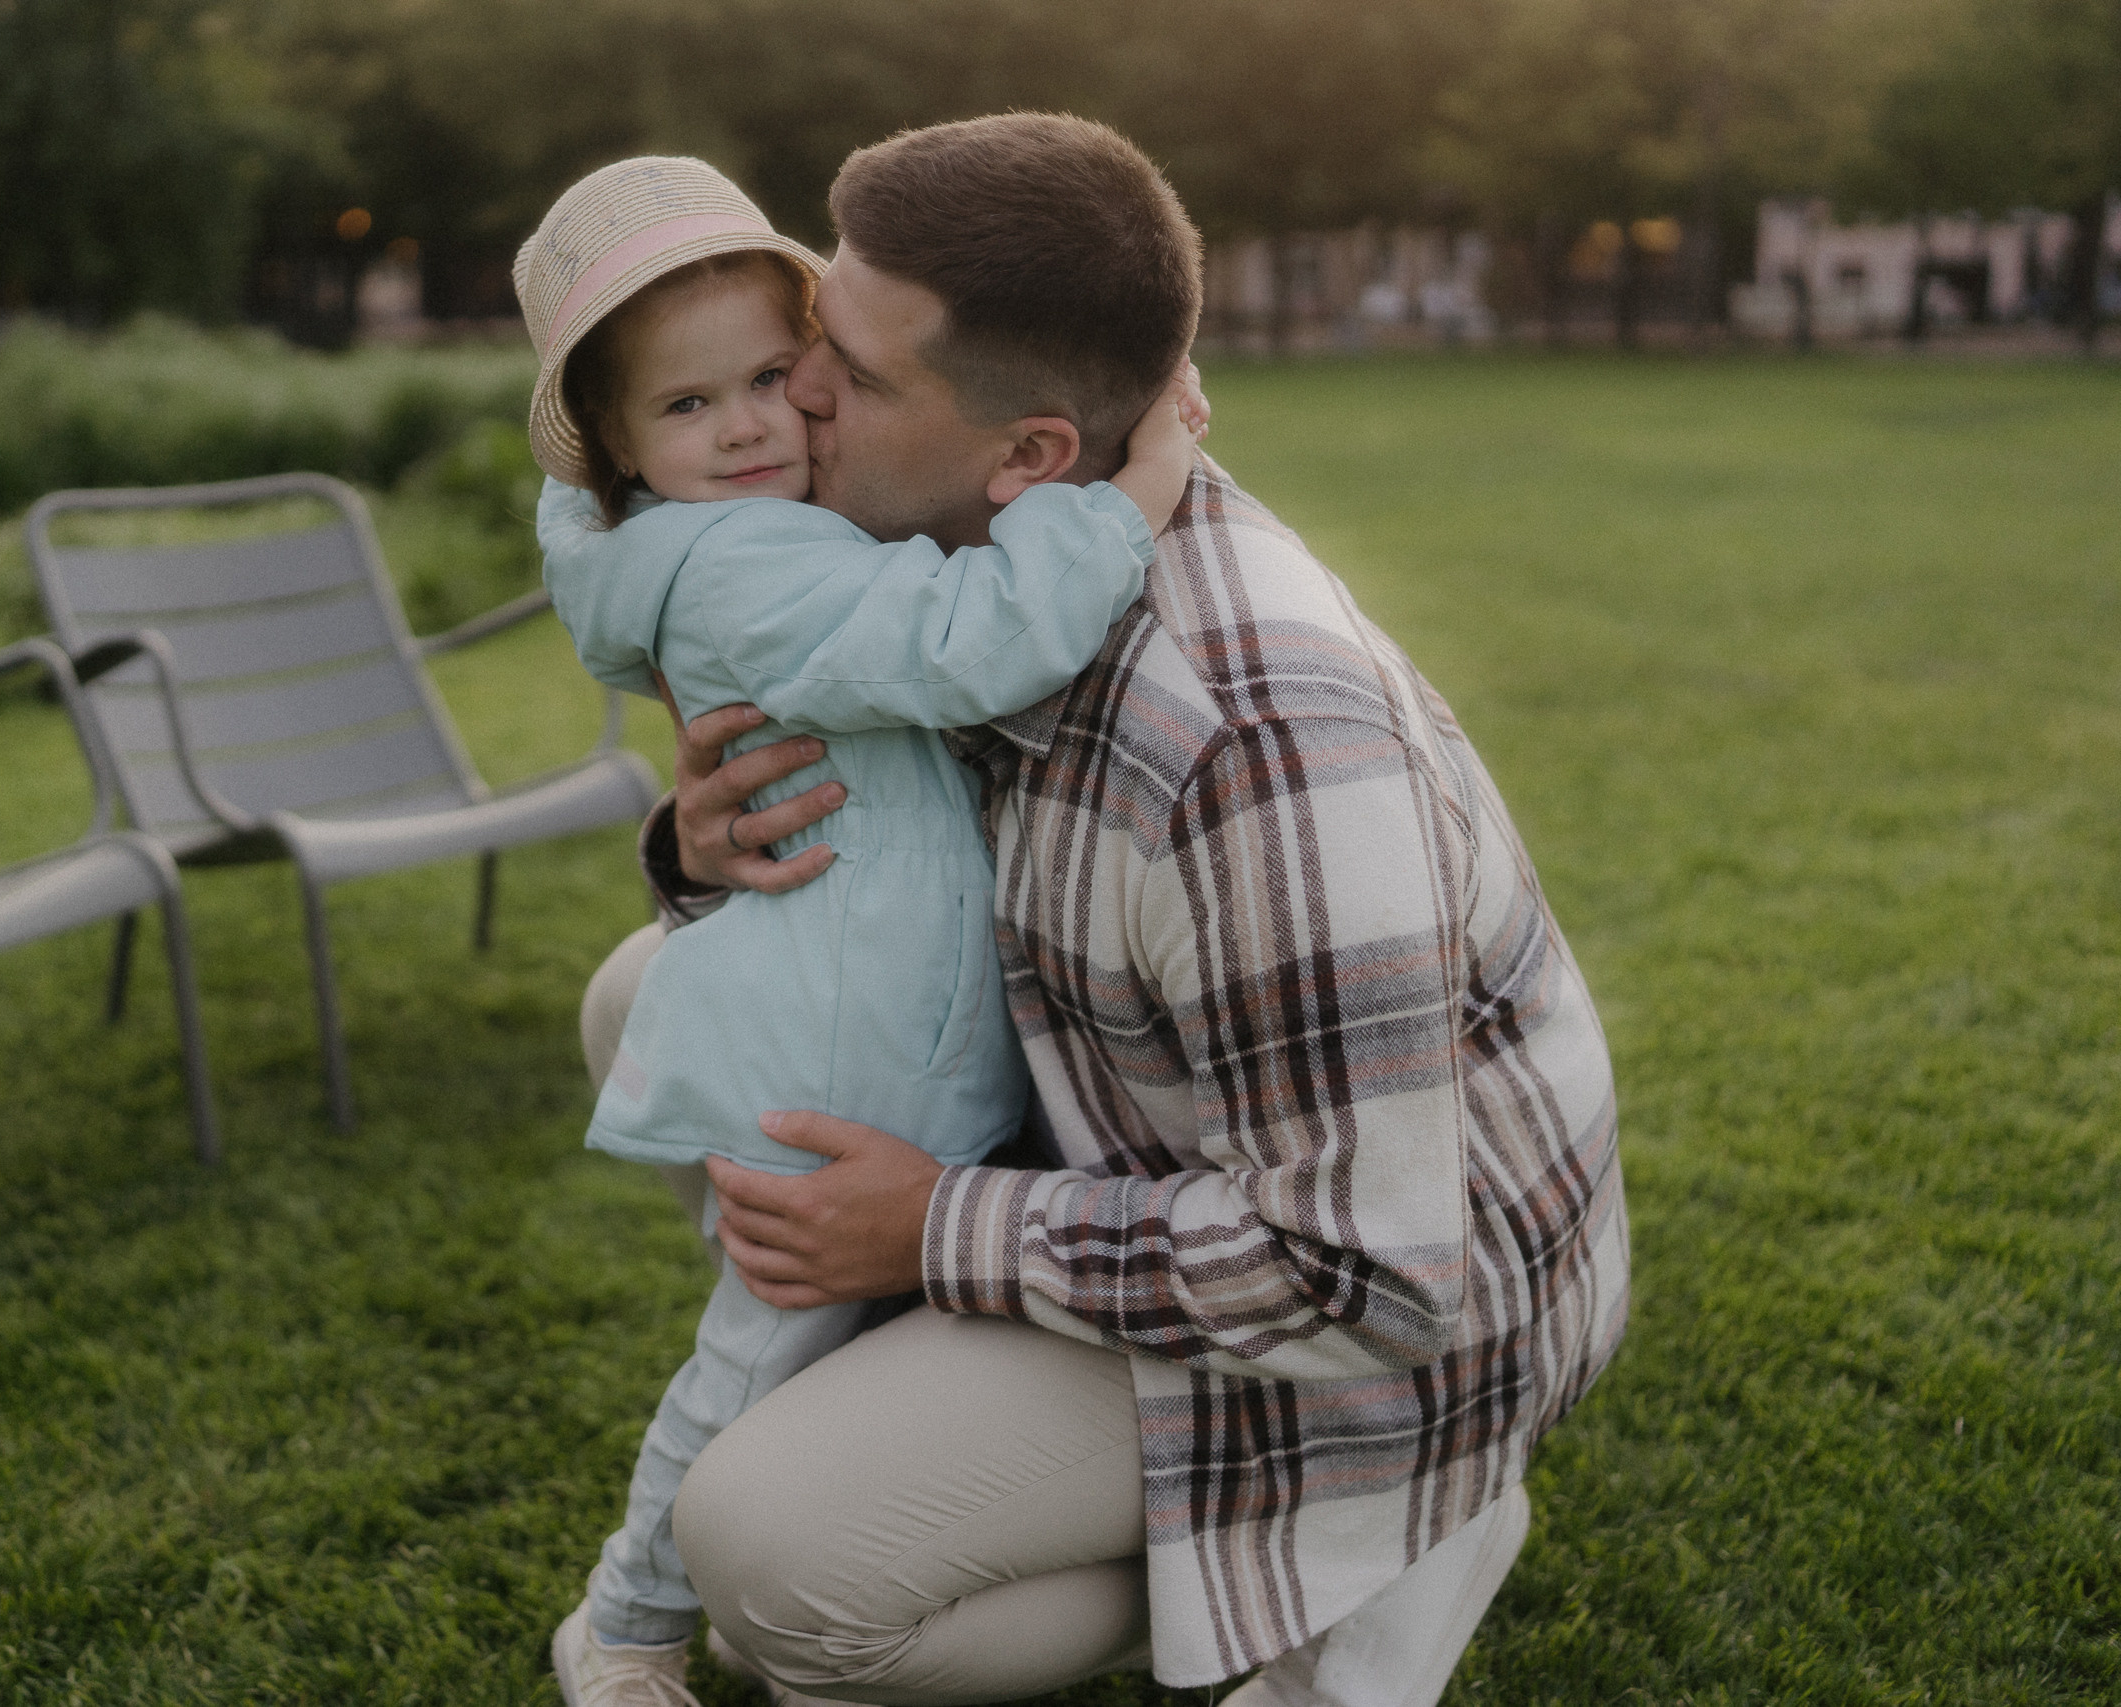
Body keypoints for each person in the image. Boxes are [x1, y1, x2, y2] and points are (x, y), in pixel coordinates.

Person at [577, 114, 1631, 1707]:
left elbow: (1372, 1275)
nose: (788, 397)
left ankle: (1378, 1545)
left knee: (774, 1575)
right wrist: (706, 855)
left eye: (844, 376)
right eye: (812, 337)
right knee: (634, 994)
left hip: (1400, 1317)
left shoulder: (1254, 752)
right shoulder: (941, 558)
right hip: (1120, 1140)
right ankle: (920, 1442)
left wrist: (935, 1226)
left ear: (1036, 456)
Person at [511, 155, 1205, 1707]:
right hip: (854, 1057)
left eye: (774, 370)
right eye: (691, 410)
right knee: (759, 1349)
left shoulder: (698, 531)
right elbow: (970, 644)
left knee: (786, 1343)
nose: (758, 422)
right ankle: (625, 1630)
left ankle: (832, 1474)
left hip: (856, 1004)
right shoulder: (754, 559)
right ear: (622, 452)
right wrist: (1130, 495)